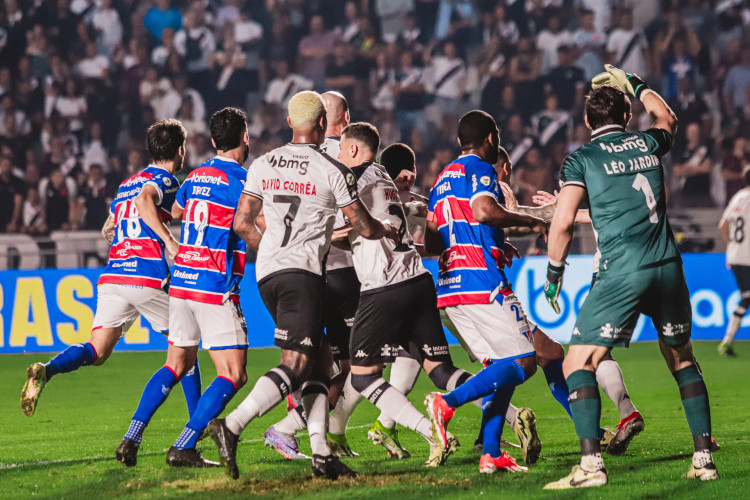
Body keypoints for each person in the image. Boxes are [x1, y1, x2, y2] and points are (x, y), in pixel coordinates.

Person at [543, 65, 717, 489]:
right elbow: (667, 118)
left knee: (577, 361)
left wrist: (554, 273)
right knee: (682, 359)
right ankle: (703, 459)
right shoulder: (647, 142)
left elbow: (563, 222)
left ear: (587, 122)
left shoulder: (582, 158)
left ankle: (590, 467)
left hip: (622, 269)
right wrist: (634, 81)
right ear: (626, 116)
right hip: (668, 266)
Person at [208, 91, 397, 481]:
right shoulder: (332, 169)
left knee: (319, 362)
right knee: (296, 364)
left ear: (290, 122)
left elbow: (243, 223)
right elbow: (362, 226)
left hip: (268, 276)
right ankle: (232, 426)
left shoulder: (262, 163)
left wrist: (273, 250)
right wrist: (391, 229)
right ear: (324, 125)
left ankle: (322, 453)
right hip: (304, 276)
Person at [20, 120, 201, 432]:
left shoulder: (126, 184)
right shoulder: (167, 179)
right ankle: (199, 423)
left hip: (114, 277)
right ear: (180, 150)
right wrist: (169, 242)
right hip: (145, 276)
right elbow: (146, 202)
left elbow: (109, 228)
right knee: (186, 346)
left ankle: (46, 370)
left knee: (97, 350)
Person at [325, 122, 480, 467]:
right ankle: (509, 413)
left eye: (340, 149)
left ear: (351, 149)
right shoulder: (382, 174)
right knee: (440, 369)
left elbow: (345, 230)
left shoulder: (355, 179)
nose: (337, 155)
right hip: (419, 281)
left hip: (385, 286)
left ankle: (429, 430)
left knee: (363, 375)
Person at [114, 109, 251, 468]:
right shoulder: (245, 181)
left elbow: (172, 213)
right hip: (212, 282)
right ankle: (184, 444)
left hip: (182, 282)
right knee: (233, 374)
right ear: (245, 137)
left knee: (176, 364)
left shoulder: (193, 177)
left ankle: (132, 436)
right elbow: (253, 224)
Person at [423, 110, 549, 474]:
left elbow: (433, 239)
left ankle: (490, 453)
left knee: (499, 368)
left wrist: (494, 240)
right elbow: (484, 210)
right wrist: (531, 220)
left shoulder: (441, 179)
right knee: (525, 362)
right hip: (481, 281)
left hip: (450, 287)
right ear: (491, 139)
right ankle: (447, 404)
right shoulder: (480, 168)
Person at [262, 91, 362, 461]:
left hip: (308, 273)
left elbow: (258, 215)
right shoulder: (346, 157)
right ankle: (292, 426)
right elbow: (359, 217)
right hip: (340, 273)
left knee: (325, 362)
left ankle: (320, 435)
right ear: (343, 118)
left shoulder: (284, 161)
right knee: (358, 365)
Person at [718, 165, 750, 356]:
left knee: (746, 295)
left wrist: (730, 244)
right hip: (747, 256)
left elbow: (723, 224)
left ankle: (727, 341)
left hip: (735, 254)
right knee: (747, 296)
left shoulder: (738, 196)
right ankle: (726, 340)